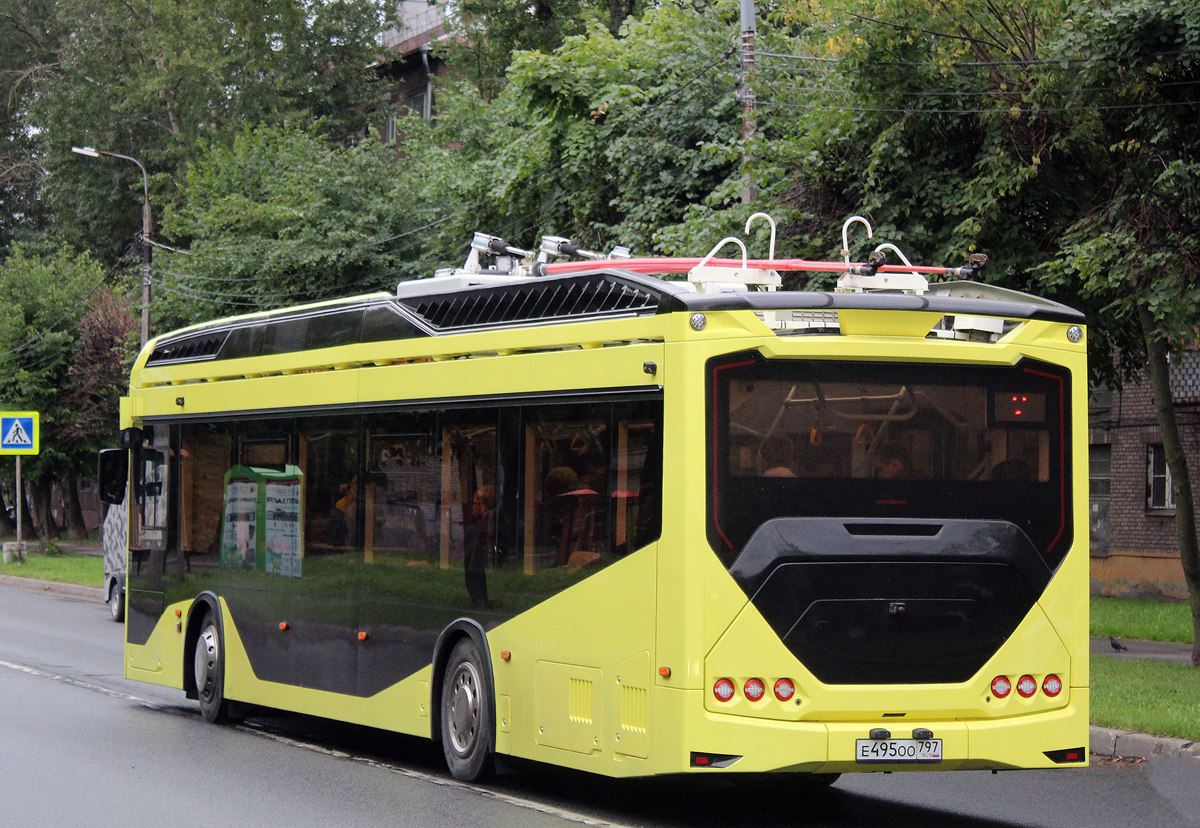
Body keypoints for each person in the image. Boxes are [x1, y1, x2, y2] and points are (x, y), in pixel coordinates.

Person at [464, 485, 496, 608]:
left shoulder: (473, 531)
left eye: (474, 504)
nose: (472, 507)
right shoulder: (494, 526)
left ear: (483, 507)